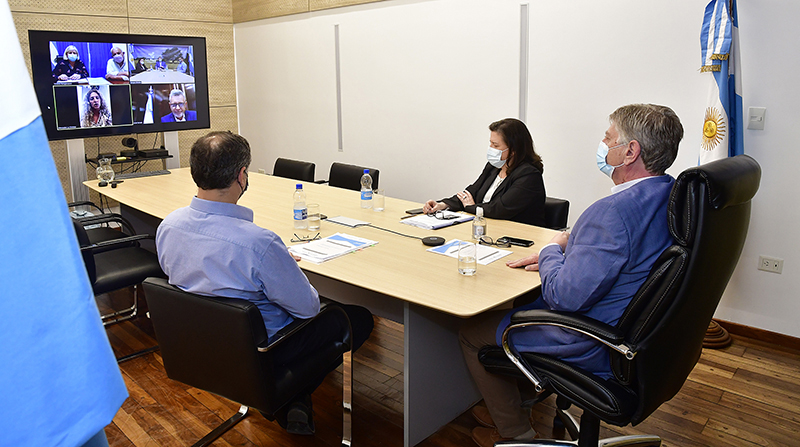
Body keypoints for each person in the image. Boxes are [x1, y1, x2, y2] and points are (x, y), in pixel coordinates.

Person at [459, 104, 684, 447]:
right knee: (520, 300)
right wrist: (571, 249)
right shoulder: (668, 195)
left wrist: (552, 248)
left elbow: (563, 296)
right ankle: (514, 402)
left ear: (630, 151)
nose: (602, 144)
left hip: (591, 340)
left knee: (472, 331)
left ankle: (514, 430)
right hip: (640, 338)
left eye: (608, 138)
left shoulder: (613, 212)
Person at [155, 131, 374, 436]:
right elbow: (309, 308)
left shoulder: (169, 226)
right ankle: (289, 398)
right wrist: (281, 265)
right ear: (241, 175)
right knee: (358, 318)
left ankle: (295, 398)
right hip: (264, 348)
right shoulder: (258, 243)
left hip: (206, 343)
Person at [423, 118, 546, 226]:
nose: (491, 148)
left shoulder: (529, 175)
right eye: (490, 143)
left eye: (496, 145)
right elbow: (472, 191)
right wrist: (442, 205)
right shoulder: (494, 167)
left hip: (517, 235)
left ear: (513, 150)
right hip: (487, 227)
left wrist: (471, 207)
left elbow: (500, 209)